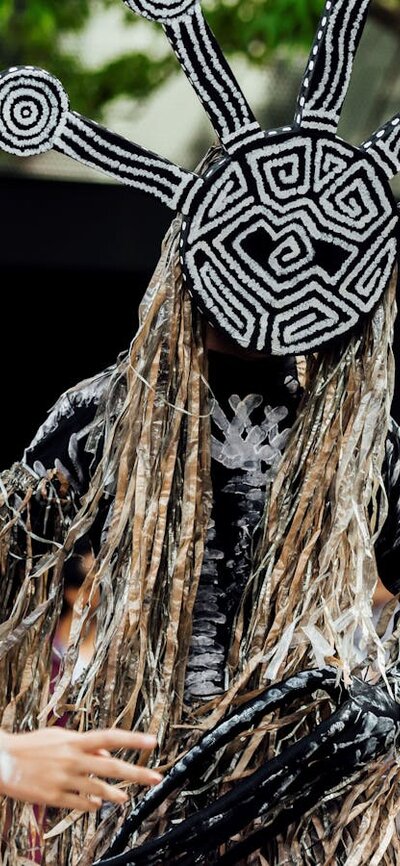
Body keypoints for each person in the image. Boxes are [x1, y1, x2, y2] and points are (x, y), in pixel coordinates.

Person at [1, 0, 400, 863]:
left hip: (308, 822)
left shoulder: (369, 451)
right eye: (256, 243)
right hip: (126, 817)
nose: (284, 277)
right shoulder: (102, 421)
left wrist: (375, 709)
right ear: (196, 248)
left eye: (325, 256)